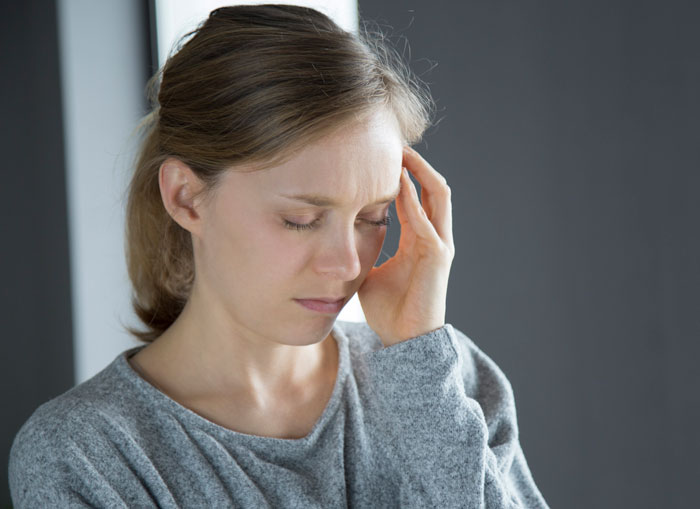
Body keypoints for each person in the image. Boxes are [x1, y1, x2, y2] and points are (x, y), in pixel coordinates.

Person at [9, 4, 549, 508]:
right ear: (185, 197)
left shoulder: (451, 383)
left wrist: (419, 369)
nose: (347, 264)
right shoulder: (84, 453)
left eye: (372, 218)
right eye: (301, 220)